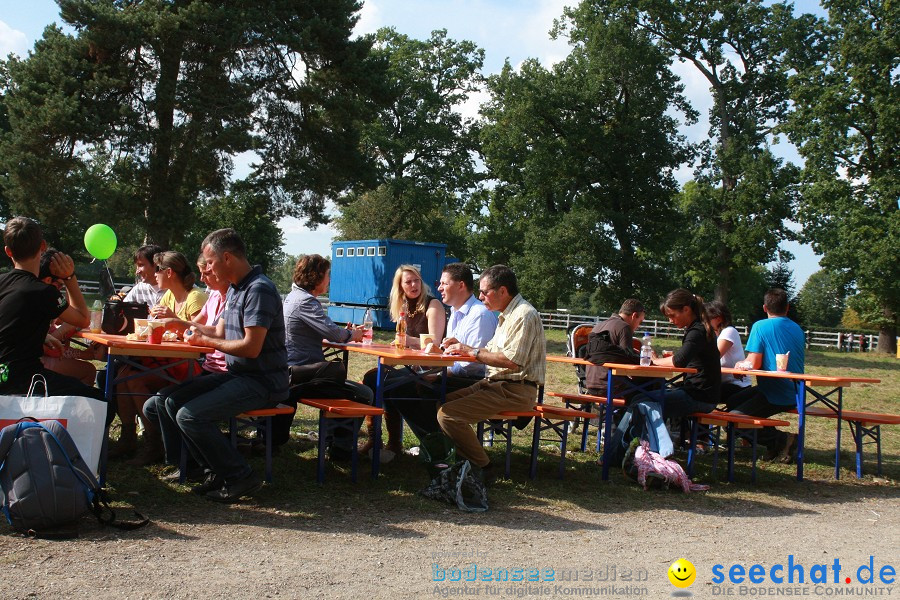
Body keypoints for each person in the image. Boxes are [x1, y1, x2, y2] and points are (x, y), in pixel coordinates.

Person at [158, 228, 288, 502]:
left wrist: (203, 343)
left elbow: (251, 347)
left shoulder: (258, 289)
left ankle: (240, 476)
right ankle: (214, 471)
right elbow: (218, 331)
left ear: (226, 258)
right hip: (240, 375)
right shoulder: (237, 289)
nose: (208, 268)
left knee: (190, 415)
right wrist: (181, 324)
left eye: (211, 262)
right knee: (170, 401)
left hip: (262, 382)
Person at [437, 265, 545, 481]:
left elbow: (512, 361)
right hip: (498, 385)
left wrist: (471, 351)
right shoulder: (508, 314)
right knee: (441, 402)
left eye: (485, 292)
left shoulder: (524, 315)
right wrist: (463, 346)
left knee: (447, 414)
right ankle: (459, 461)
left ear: (503, 291)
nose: (480, 296)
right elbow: (494, 352)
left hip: (515, 391)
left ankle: (482, 467)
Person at [0, 217, 110, 420]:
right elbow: (83, 319)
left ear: (8, 251)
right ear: (42, 247)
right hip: (24, 378)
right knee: (101, 405)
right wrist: (70, 278)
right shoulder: (42, 291)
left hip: (4, 375)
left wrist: (41, 338)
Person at [110, 250, 207, 464]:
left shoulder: (195, 297)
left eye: (159, 270)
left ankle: (154, 443)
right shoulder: (170, 295)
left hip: (191, 365)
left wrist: (172, 320)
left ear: (169, 272)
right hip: (169, 360)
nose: (155, 276)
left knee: (133, 380)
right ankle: (129, 438)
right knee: (122, 375)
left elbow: (199, 337)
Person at [385, 263, 498, 441]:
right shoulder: (456, 312)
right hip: (455, 374)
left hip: (474, 381)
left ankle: (439, 444)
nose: (439, 288)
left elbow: (475, 363)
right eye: (409, 282)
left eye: (444, 283)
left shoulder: (479, 315)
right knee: (393, 384)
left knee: (406, 387)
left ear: (460, 285)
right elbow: (449, 352)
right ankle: (433, 442)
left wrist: (439, 373)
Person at [142, 253, 229, 471]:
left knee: (167, 401)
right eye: (201, 271)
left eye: (207, 270)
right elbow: (194, 325)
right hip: (208, 367)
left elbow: (215, 333)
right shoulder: (214, 297)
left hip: (221, 370)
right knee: (153, 404)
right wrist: (180, 324)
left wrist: (179, 323)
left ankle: (185, 464)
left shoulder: (229, 297)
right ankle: (179, 458)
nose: (203, 277)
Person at [611, 290, 719, 461]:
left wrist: (650, 362)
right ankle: (635, 451)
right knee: (640, 398)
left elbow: (679, 361)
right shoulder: (697, 328)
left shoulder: (697, 331)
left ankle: (624, 454)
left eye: (672, 315)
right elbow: (680, 360)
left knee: (640, 402)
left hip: (700, 396)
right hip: (698, 392)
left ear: (686, 309)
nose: (670, 320)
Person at [281, 254, 371, 459]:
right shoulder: (305, 302)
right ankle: (340, 449)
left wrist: (345, 333)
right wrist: (353, 334)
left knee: (344, 387)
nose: (330, 280)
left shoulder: (293, 297)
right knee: (363, 394)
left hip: (292, 371)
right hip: (301, 375)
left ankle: (333, 442)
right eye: (328, 275)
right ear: (316, 276)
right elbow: (334, 334)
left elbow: (325, 329)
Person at [360, 264, 446, 460]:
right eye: (408, 282)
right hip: (413, 367)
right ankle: (386, 441)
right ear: (400, 287)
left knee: (378, 379)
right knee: (375, 377)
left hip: (432, 371)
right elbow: (405, 344)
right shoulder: (404, 308)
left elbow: (435, 342)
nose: (414, 284)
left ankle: (390, 442)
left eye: (417, 280)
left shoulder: (433, 305)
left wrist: (409, 341)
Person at [730, 288, 806, 462]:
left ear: (765, 308)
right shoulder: (797, 329)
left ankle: (782, 440)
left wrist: (741, 365)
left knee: (733, 420)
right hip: (795, 390)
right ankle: (773, 444)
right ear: (787, 308)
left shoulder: (760, 326)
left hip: (776, 392)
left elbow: (753, 362)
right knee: (733, 400)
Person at [38, 249, 101, 386]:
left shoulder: (27, 286)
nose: (61, 289)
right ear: (49, 280)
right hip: (33, 364)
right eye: (61, 285)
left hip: (18, 362)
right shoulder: (46, 294)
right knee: (89, 371)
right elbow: (82, 319)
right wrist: (83, 354)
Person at [583, 299, 645, 399]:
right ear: (634, 316)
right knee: (651, 387)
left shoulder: (598, 326)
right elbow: (627, 360)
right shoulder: (624, 327)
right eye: (640, 321)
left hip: (590, 384)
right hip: (610, 386)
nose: (639, 326)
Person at [704, 300, 751, 405]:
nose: (704, 322)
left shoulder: (729, 331)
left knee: (697, 393)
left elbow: (714, 357)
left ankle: (699, 420)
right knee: (685, 388)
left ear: (718, 319)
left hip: (738, 385)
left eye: (706, 319)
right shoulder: (716, 335)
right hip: (723, 383)